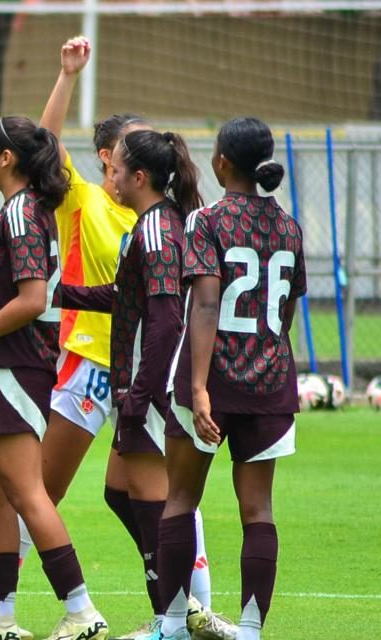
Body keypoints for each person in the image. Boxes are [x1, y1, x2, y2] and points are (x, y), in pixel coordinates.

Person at [0, 116, 108, 640]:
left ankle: (81, 612)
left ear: (7, 158)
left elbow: (33, 300)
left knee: (28, 494)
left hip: (14, 365)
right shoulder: (19, 212)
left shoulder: (22, 214)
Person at [55, 129, 206, 640]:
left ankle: (174, 621)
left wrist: (140, 397)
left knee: (156, 501)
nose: (110, 177)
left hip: (152, 391)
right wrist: (58, 292)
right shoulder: (151, 226)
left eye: (116, 169)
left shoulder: (159, 231)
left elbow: (165, 322)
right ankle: (176, 614)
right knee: (119, 493)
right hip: (141, 388)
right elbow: (127, 296)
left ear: (139, 177)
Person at [159, 116, 304, 640]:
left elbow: (205, 302)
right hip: (270, 382)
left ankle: (173, 623)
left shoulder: (207, 220)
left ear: (221, 162)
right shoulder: (289, 225)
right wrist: (267, 356)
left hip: (213, 379)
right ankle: (249, 630)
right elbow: (286, 307)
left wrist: (199, 387)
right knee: (258, 509)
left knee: (180, 499)